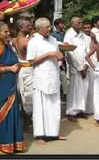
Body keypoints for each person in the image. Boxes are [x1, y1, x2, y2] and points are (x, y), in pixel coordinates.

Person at [0, 22, 25, 154]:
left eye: (8, 31)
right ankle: (2, 143)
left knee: (12, 112)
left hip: (9, 84)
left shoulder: (7, 45)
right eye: (5, 32)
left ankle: (13, 143)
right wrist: (9, 68)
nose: (8, 34)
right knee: (1, 113)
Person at [27, 18, 66, 146]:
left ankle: (54, 132)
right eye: (47, 27)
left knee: (55, 106)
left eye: (50, 26)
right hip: (41, 78)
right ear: (39, 29)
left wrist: (59, 56)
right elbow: (31, 62)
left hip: (53, 75)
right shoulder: (33, 41)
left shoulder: (54, 40)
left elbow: (56, 54)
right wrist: (48, 54)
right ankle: (39, 135)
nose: (50, 29)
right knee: (41, 107)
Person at [64, 16, 90, 121]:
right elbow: (70, 53)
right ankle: (71, 112)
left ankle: (80, 110)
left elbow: (88, 50)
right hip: (75, 68)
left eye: (81, 22)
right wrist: (79, 67)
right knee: (73, 90)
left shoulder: (83, 36)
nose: (81, 24)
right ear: (72, 24)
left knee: (84, 89)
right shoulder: (69, 35)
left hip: (85, 66)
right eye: (78, 22)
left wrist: (86, 65)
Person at [12, 18, 34, 133]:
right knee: (28, 97)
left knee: (23, 95)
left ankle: (26, 121)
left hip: (21, 69)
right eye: (28, 25)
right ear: (21, 28)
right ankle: (26, 123)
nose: (30, 27)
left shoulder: (14, 40)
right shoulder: (26, 41)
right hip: (28, 69)